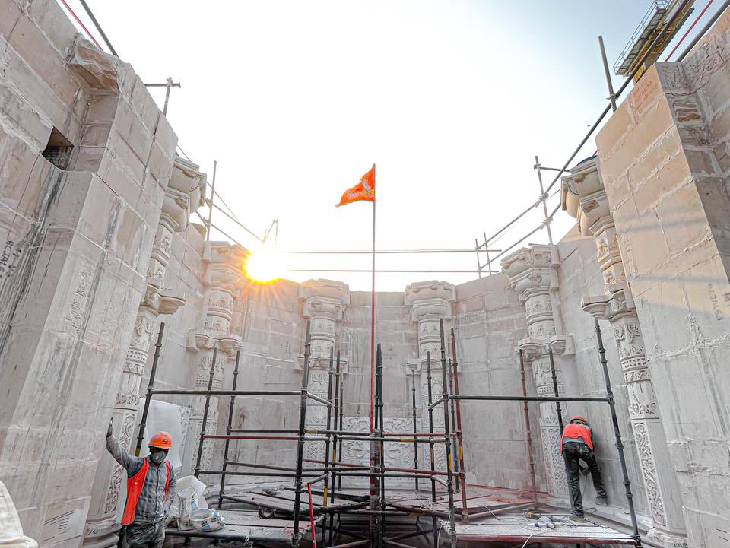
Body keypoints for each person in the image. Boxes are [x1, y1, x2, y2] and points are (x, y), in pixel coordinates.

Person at [106, 419, 176, 548]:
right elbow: (120, 454)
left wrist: (167, 503)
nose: (161, 453)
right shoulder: (137, 465)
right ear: (151, 449)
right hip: (139, 525)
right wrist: (109, 437)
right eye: (158, 449)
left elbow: (172, 485)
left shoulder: (168, 468)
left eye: (164, 450)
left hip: (158, 525)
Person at [561, 415, 607, 518]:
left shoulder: (567, 427)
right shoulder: (586, 428)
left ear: (573, 422)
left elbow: (569, 451)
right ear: (583, 422)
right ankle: (601, 495)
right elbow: (591, 448)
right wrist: (589, 467)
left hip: (567, 448)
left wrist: (581, 469)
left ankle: (578, 513)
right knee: (594, 467)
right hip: (583, 447)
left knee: (573, 480)